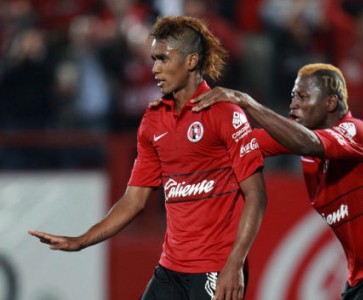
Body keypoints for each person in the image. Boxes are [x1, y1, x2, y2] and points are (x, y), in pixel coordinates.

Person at [28, 16, 267, 300]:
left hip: (216, 268)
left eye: (163, 59)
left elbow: (256, 196)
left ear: (191, 61)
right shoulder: (153, 121)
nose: (154, 68)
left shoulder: (226, 114)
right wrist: (81, 241)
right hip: (170, 269)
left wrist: (235, 263)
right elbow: (134, 200)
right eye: (154, 59)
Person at [191, 63, 363, 300]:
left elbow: (306, 142)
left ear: (330, 103)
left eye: (302, 96)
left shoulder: (359, 133)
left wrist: (248, 102)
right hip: (361, 279)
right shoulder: (304, 145)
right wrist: (190, 131)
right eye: (292, 96)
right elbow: (243, 142)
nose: (293, 104)